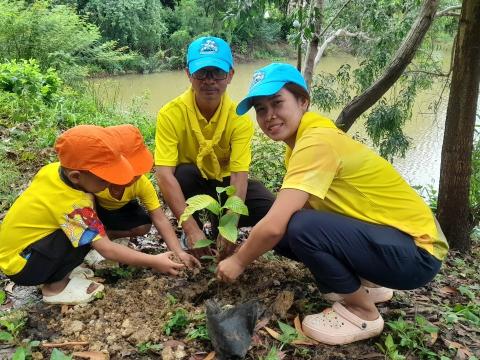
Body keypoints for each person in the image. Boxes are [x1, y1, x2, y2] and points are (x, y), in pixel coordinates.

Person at [216, 63, 449, 345]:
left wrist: (239, 260)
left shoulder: (316, 142)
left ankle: (362, 311)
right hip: (398, 243)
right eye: (261, 109)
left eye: (277, 103)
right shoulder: (302, 143)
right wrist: (254, 243)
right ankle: (366, 286)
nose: (269, 116)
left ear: (303, 102)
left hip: (418, 254)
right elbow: (293, 217)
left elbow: (280, 226)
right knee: (289, 223)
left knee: (296, 226)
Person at [0, 125, 184, 305]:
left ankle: (59, 271)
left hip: (17, 252)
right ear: (76, 177)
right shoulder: (73, 207)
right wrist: (154, 261)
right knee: (87, 235)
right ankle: (55, 288)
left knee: (86, 231)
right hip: (23, 266)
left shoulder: (53, 170)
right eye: (105, 179)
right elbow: (107, 249)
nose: (110, 183)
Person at [154, 36, 274, 254]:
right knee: (183, 174)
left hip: (225, 184)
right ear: (189, 74)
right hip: (193, 183)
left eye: (217, 73)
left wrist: (229, 228)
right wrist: (191, 230)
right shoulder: (170, 114)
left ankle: (220, 226)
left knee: (269, 206)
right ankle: (193, 230)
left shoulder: (239, 119)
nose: (209, 81)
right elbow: (163, 175)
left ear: (230, 75)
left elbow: (239, 176)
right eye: (202, 72)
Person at [94, 124, 200, 268]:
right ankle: (100, 238)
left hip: (120, 209)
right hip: (94, 210)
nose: (134, 178)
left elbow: (159, 217)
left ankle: (111, 234)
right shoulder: (94, 182)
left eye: (137, 173)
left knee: (143, 225)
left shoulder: (141, 184)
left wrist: (178, 252)